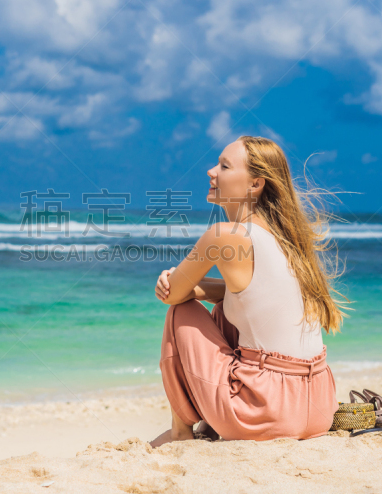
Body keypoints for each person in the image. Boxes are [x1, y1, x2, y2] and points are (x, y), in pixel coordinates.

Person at [149, 135, 351, 447]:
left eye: (224, 166)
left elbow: (174, 295)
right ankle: (206, 424)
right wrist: (200, 290)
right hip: (319, 408)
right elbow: (254, 297)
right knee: (223, 310)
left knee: (181, 312)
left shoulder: (224, 236)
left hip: (265, 413)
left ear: (255, 184)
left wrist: (178, 283)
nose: (211, 171)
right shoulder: (288, 240)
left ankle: (180, 431)